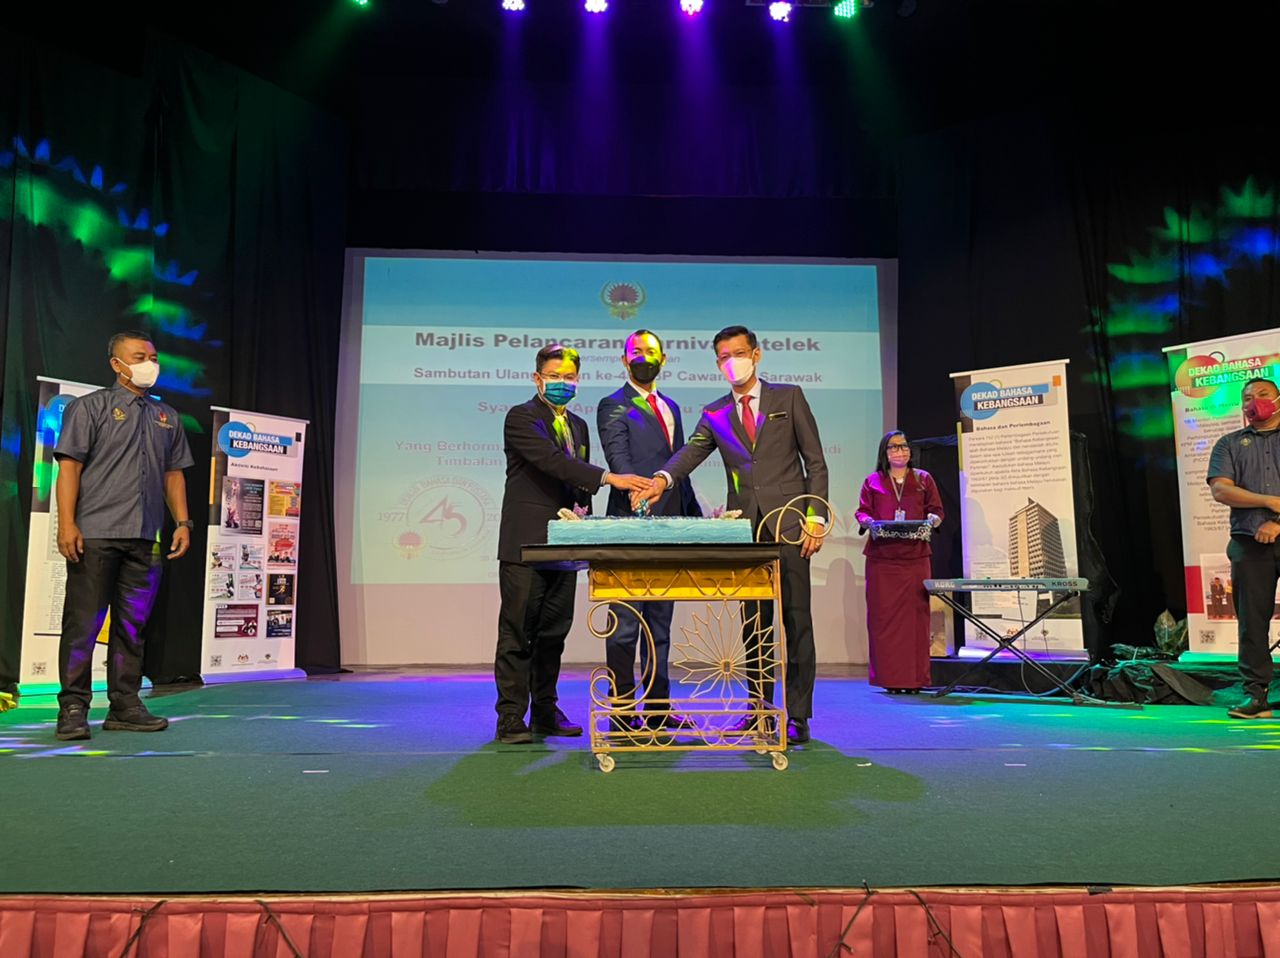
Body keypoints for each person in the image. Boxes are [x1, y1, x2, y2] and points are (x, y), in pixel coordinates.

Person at [634, 325, 829, 743]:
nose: (731, 362)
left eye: (738, 353)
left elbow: (815, 462)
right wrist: (662, 479)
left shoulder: (789, 397)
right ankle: (757, 709)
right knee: (754, 624)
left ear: (756, 355)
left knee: (797, 620)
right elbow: (690, 453)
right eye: (723, 357)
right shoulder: (715, 412)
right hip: (747, 531)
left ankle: (798, 715)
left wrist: (816, 517)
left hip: (792, 525)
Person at [495, 344, 647, 745]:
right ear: (537, 378)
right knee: (518, 632)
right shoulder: (521, 417)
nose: (562, 383)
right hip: (527, 543)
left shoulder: (578, 425)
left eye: (569, 377)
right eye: (554, 376)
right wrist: (610, 478)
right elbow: (553, 462)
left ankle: (545, 711)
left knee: (553, 633)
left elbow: (576, 482)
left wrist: (586, 523)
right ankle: (510, 717)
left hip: (565, 545)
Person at [53, 330, 194, 741]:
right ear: (117, 364)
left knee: (132, 627)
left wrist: (183, 523)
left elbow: (173, 475)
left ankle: (125, 705)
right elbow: (69, 468)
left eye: (153, 357)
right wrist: (67, 523)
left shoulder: (167, 416)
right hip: (96, 533)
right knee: (83, 624)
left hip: (146, 537)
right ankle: (73, 707)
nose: (150, 363)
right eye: (139, 356)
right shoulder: (88, 407)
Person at [597, 330, 702, 730]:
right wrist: (640, 494)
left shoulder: (671, 405)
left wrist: (693, 515)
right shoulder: (613, 404)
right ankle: (623, 712)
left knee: (659, 624)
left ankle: (659, 708)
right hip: (630, 523)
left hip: (670, 527)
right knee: (625, 624)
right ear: (624, 361)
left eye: (650, 352)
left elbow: (678, 468)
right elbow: (619, 460)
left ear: (664, 358)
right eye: (636, 352)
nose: (643, 358)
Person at [1208, 377, 1280, 719]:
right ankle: (1256, 696)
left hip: (1271, 531)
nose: (1255, 402)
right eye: (1247, 397)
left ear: (1278, 399)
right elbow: (1222, 490)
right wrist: (1269, 501)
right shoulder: (1229, 443)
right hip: (1248, 543)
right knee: (1252, 623)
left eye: (1263, 394)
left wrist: (1277, 523)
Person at [854, 431, 944, 693]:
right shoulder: (872, 481)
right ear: (885, 453)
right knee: (883, 619)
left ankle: (915, 680)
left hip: (915, 558)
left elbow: (937, 511)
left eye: (904, 446)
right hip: (882, 560)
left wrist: (932, 520)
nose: (900, 451)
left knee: (916, 620)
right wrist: (868, 521)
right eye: (893, 447)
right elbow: (862, 512)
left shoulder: (924, 479)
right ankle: (889, 679)